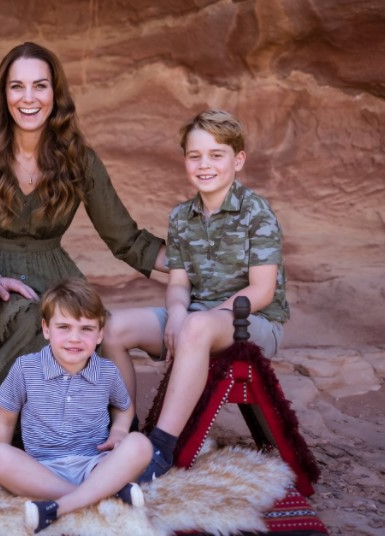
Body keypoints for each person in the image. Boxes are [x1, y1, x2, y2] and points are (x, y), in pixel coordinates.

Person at [0, 42, 166, 465]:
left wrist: (192, 266)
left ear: (54, 94)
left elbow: (125, 238)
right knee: (34, 317)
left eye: (39, 86)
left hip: (56, 272)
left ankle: (93, 441)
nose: (28, 98)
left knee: (80, 325)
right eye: (17, 87)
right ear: (3, 95)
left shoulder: (78, 159)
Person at [102, 109, 290, 482]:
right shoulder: (181, 217)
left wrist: (195, 322)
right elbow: (179, 283)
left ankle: (161, 447)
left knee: (196, 327)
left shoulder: (257, 214)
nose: (205, 165)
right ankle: (126, 428)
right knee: (112, 328)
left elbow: (262, 291)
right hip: (195, 318)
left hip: (250, 323)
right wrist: (175, 313)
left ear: (238, 160)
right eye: (194, 156)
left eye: (216, 155)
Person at [0, 278, 152, 534]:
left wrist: (119, 433)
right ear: (46, 329)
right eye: (64, 327)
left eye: (86, 329)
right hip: (41, 470)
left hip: (95, 466)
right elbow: (6, 418)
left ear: (100, 334)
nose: (75, 338)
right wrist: (2, 463)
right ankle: (102, 499)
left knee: (140, 444)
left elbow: (124, 407)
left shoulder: (107, 372)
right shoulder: (26, 368)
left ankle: (59, 508)